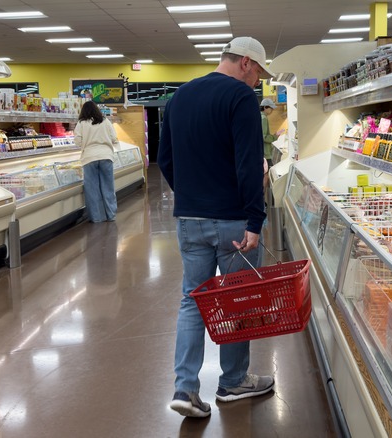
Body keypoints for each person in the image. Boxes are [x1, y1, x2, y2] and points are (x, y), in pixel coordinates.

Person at [158, 36, 275, 418]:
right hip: (234, 222)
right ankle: (233, 381)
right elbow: (248, 162)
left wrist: (190, 198)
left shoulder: (179, 97)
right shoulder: (240, 97)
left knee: (192, 300)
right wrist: (255, 219)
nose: (257, 81)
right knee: (238, 297)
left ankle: (185, 389)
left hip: (189, 220)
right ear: (245, 62)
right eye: (258, 73)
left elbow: (165, 159)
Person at [75, 101, 118, 222]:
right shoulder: (105, 121)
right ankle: (111, 215)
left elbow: (77, 141)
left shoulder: (81, 123)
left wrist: (86, 143)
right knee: (108, 187)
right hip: (106, 156)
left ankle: (97, 218)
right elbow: (114, 138)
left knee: (92, 189)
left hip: (89, 157)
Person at [259, 98, 284, 167]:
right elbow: (263, 137)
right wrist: (275, 136)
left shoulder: (259, 116)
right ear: (265, 107)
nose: (272, 110)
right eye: (271, 108)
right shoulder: (263, 118)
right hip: (265, 153)